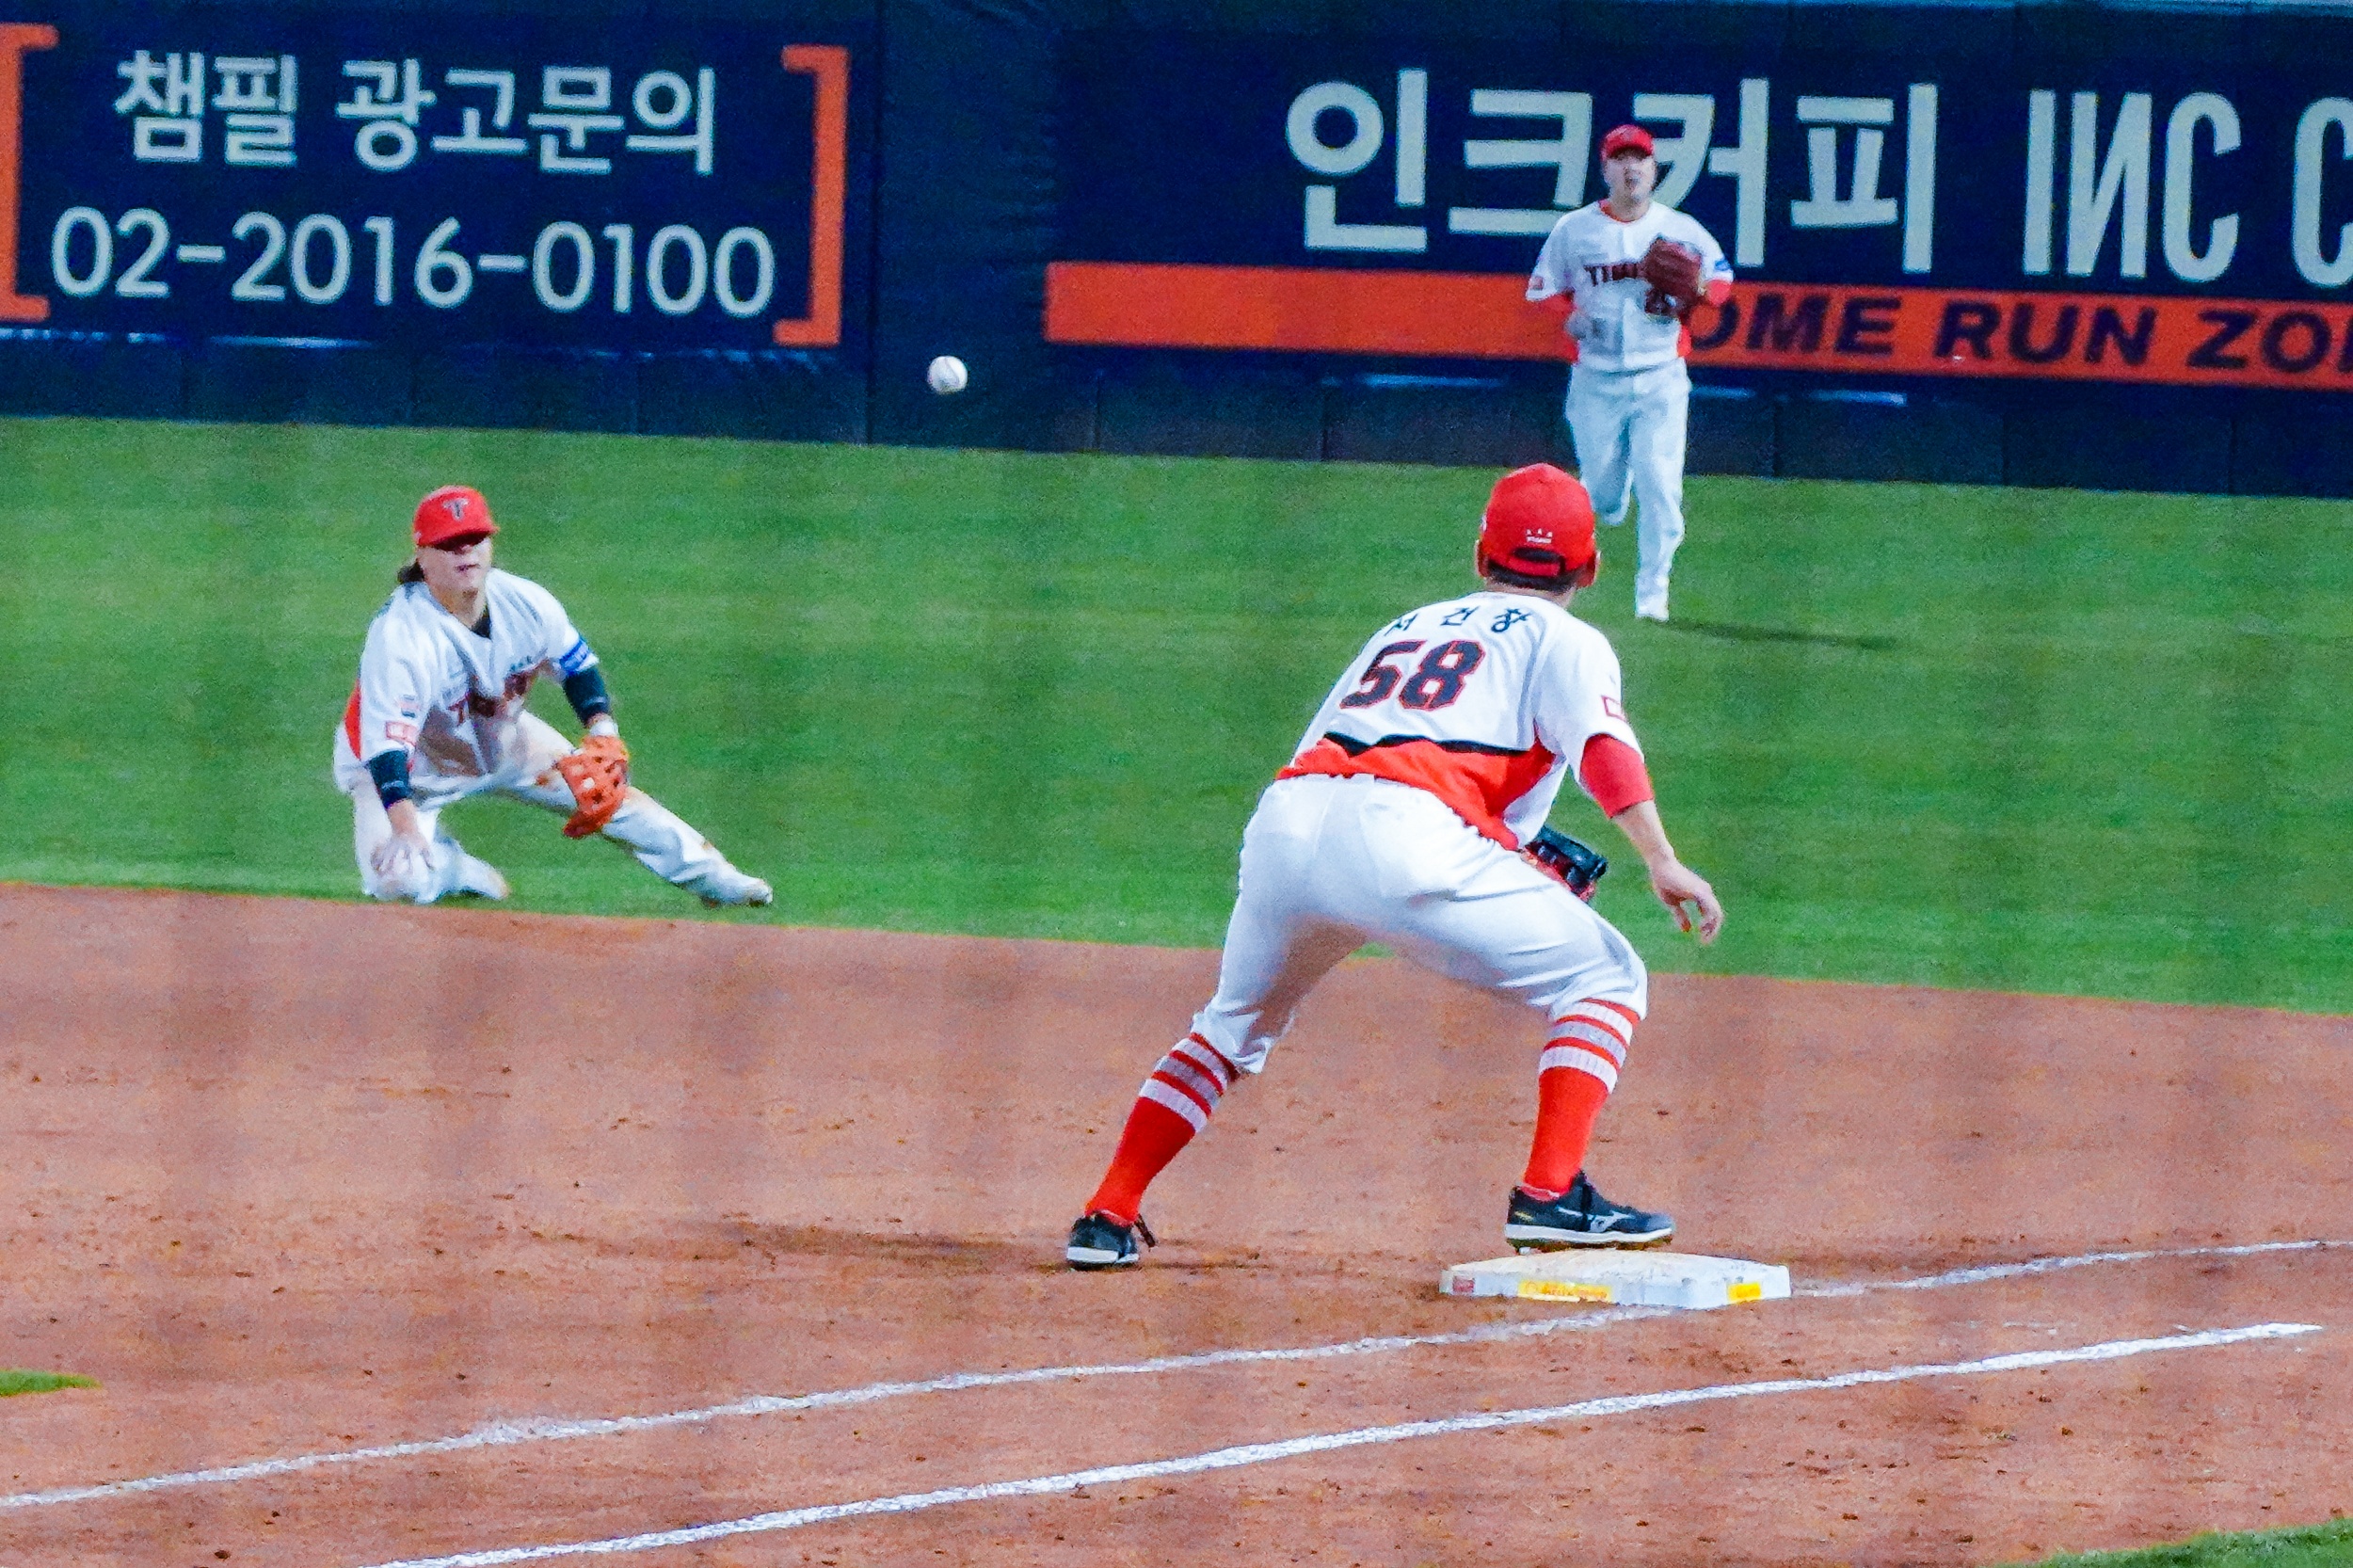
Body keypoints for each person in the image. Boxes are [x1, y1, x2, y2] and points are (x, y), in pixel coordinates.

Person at [1065, 464, 1723, 1270]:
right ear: (1590, 568)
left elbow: (1359, 751)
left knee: (1231, 1027)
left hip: (1290, 825)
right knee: (1607, 979)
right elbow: (1602, 748)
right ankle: (1551, 1195)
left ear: (1481, 555)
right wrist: (1662, 858)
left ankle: (1105, 1216)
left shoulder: (1407, 626)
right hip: (1409, 839)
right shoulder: (1570, 640)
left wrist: (1505, 847)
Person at [331, 484, 773, 909]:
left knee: (605, 794)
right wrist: (406, 827)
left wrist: (603, 731)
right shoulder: (400, 637)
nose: (466, 552)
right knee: (396, 881)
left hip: (504, 738)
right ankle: (458, 870)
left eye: (475, 539)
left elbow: (577, 667)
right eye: (450, 544)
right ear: (422, 555)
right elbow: (387, 750)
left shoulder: (525, 603)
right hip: (412, 769)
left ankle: (720, 880)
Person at [1527, 122, 1734, 624]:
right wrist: (1569, 316)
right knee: (1599, 495)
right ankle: (1612, 497)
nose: (1631, 168)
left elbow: (1723, 281)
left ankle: (1653, 593)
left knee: (1661, 487)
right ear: (1605, 169)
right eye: (1620, 159)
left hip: (1661, 376)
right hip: (1596, 380)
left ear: (1654, 169)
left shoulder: (1681, 228)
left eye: (1639, 158)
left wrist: (1699, 288)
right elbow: (1541, 289)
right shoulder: (1575, 229)